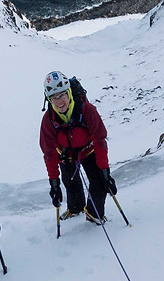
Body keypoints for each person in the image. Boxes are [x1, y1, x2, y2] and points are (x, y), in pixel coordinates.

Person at [39, 71, 117, 225]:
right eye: (54, 97)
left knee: (100, 182)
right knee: (70, 183)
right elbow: (49, 153)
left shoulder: (87, 110)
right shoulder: (48, 121)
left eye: (62, 95)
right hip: (66, 154)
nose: (59, 101)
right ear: (49, 99)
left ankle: (94, 215)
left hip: (89, 150)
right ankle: (75, 209)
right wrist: (54, 184)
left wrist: (105, 172)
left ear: (69, 92)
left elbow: (100, 140)